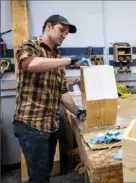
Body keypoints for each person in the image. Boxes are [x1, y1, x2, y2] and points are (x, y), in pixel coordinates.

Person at [12, 14, 87, 183]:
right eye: (61, 30)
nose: (64, 35)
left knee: (44, 174)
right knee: (39, 177)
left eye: (66, 33)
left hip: (49, 126)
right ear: (48, 27)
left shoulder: (56, 58)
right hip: (31, 124)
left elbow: (62, 92)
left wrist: (79, 112)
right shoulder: (29, 46)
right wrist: (68, 61)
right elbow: (29, 64)